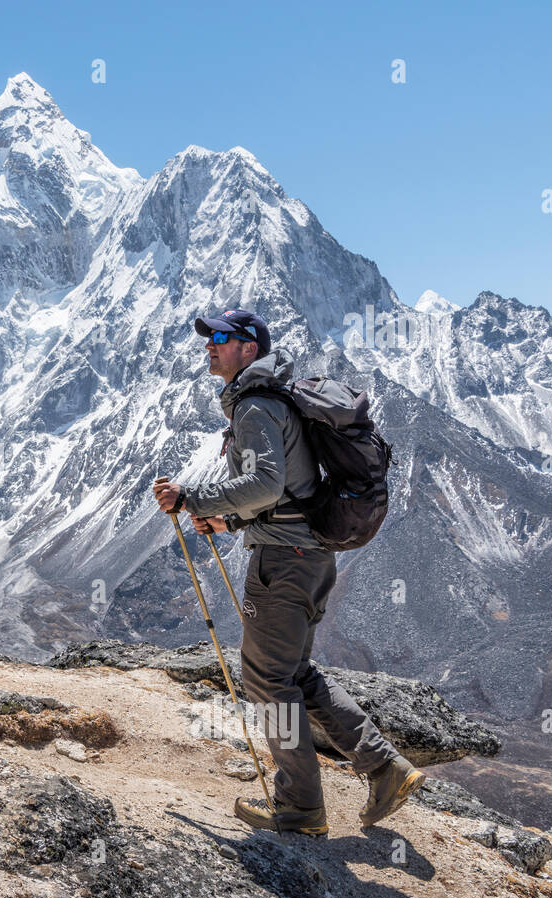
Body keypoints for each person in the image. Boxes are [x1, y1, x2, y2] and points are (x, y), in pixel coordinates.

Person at [153, 309, 425, 836]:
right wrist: (228, 519)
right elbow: (288, 491)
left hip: (283, 564)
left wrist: (192, 497)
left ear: (249, 348)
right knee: (295, 673)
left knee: (265, 678)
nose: (211, 345)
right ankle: (385, 767)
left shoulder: (255, 405)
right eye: (210, 338)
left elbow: (266, 486)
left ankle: (300, 808)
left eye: (223, 338)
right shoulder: (272, 400)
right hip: (309, 557)